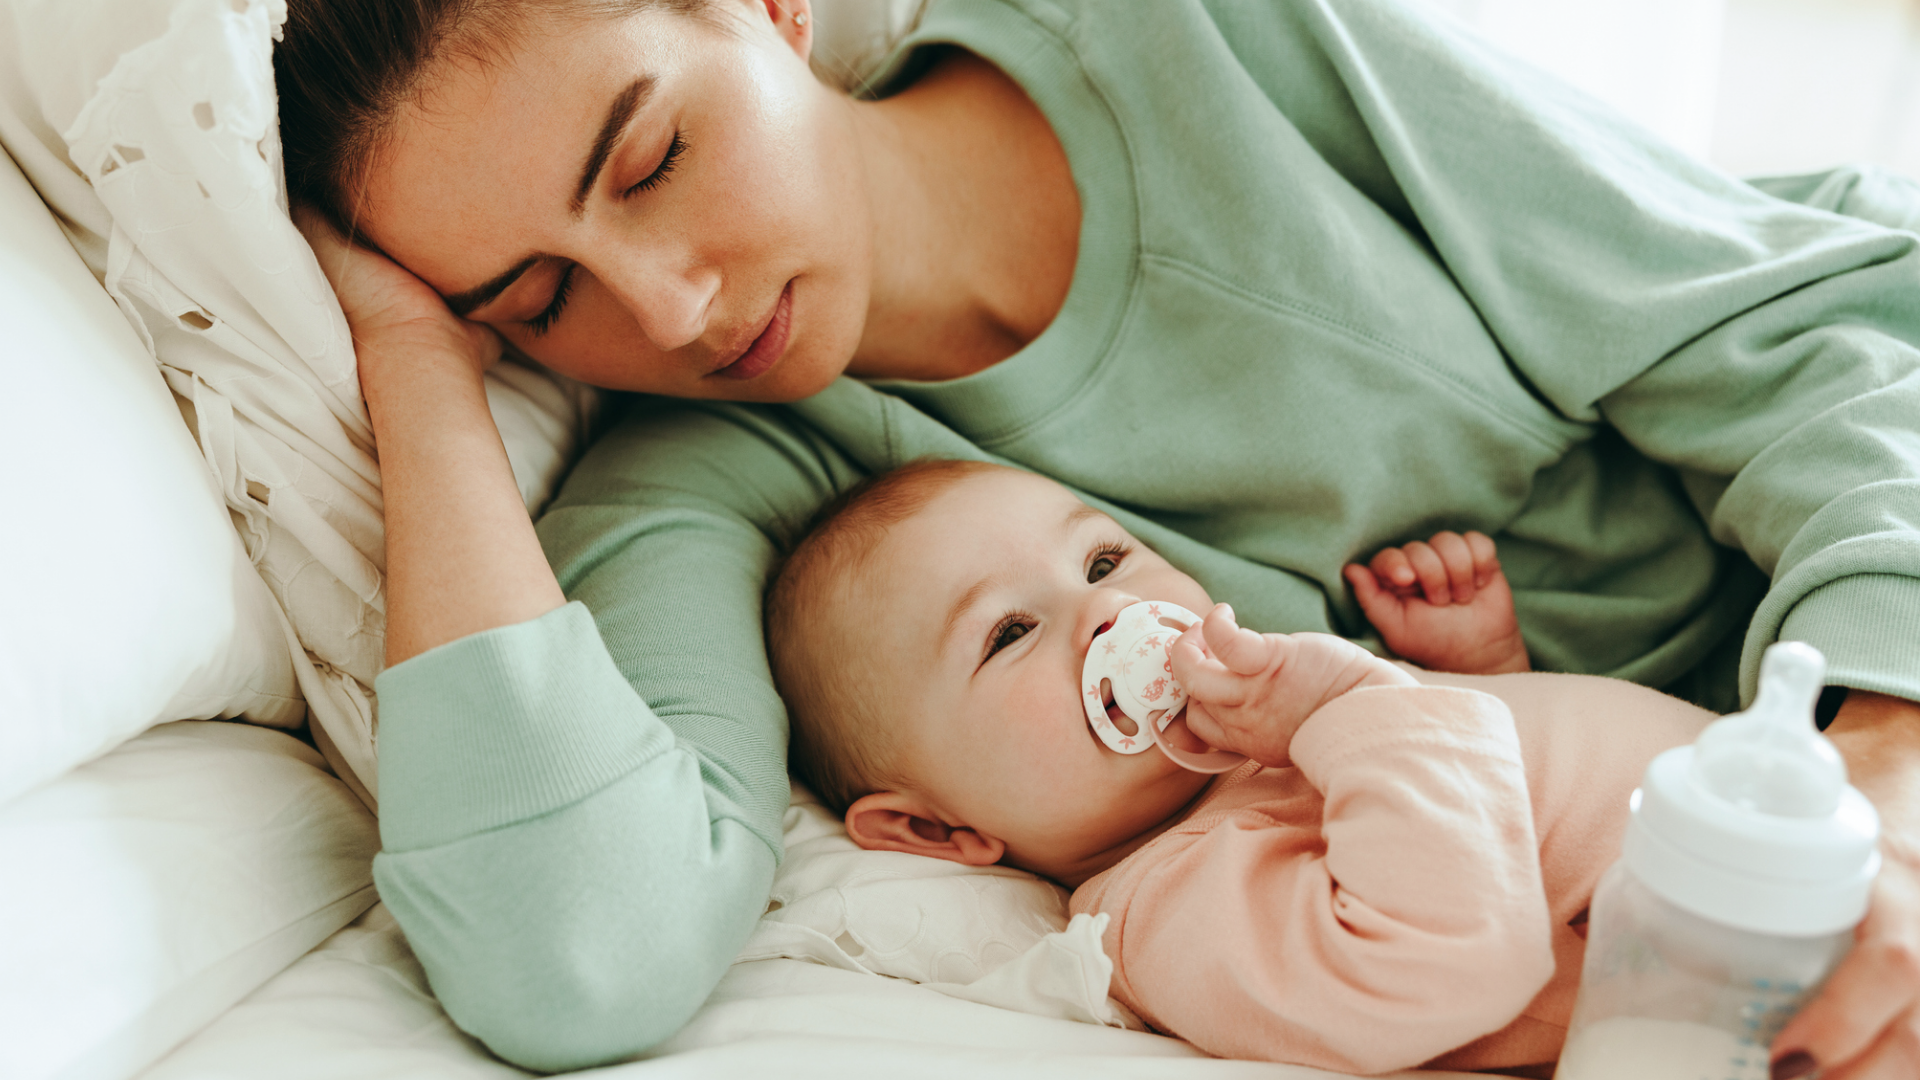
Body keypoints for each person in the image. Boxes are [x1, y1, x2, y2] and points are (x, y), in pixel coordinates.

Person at [273, 0, 1920, 1073]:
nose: (670, 307)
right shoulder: (714, 480)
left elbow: (1814, 343)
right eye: (536, 297)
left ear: (766, 13)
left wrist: (1867, 783)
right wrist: (417, 371)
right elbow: (583, 959)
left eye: (653, 160)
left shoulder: (1196, 39)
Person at [763, 457, 1714, 1074]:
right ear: (935, 829)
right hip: (1754, 964)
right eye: (1008, 633)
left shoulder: (1279, 727)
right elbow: (1448, 958)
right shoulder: (1169, 904)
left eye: (1102, 560)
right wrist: (1359, 706)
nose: (1105, 615)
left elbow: (1509, 813)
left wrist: (1483, 675)